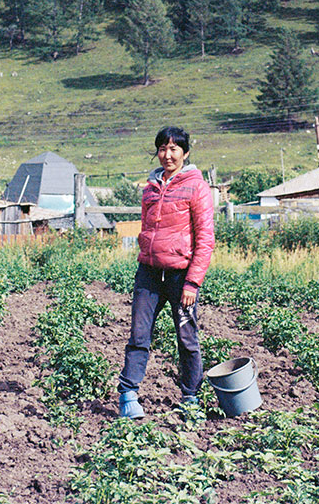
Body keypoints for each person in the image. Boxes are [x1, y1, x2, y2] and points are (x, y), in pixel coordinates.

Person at [117, 126, 215, 419]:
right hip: (148, 273)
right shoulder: (150, 187)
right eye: (162, 148)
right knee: (139, 334)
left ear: (185, 153)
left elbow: (206, 238)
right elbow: (147, 228)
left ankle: (190, 396)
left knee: (187, 337)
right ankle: (128, 395)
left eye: (174, 149)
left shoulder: (197, 186)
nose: (167, 155)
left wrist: (192, 283)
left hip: (180, 276)